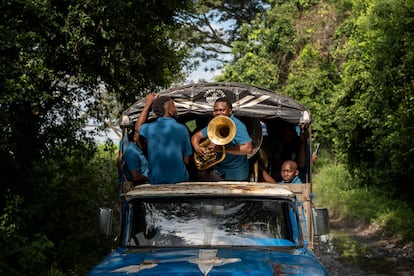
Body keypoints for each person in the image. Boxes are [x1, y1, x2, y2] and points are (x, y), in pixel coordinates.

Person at [135, 93, 193, 184]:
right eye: (174, 106)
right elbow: (186, 159)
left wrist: (147, 105)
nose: (176, 109)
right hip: (179, 180)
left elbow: (137, 128)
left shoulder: (148, 128)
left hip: (156, 181)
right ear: (169, 109)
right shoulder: (182, 129)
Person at [191, 97, 253, 181]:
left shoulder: (237, 125)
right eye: (216, 110)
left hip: (236, 175)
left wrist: (221, 149)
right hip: (220, 171)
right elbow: (196, 136)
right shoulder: (215, 123)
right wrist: (197, 147)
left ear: (230, 111)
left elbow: (248, 148)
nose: (218, 113)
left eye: (221, 110)